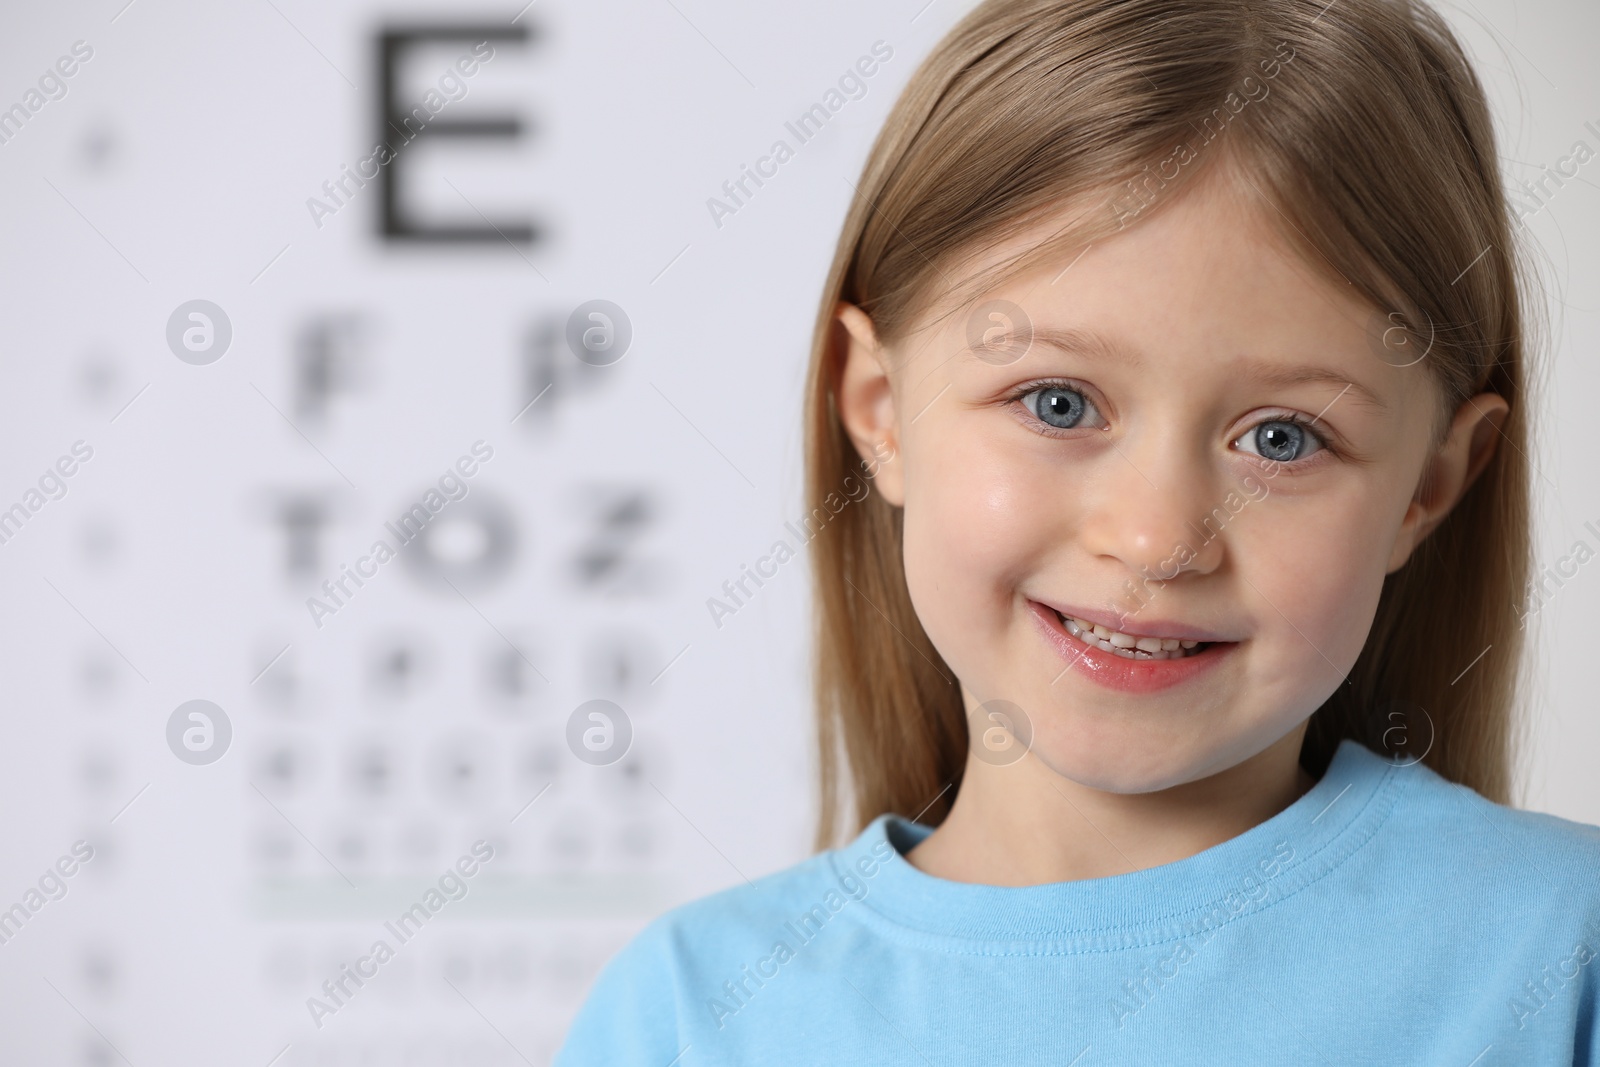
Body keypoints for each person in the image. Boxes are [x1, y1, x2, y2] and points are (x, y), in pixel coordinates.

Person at [556, 0, 1600, 1060]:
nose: (1155, 541)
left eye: (1281, 437)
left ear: (1428, 487)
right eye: (1057, 402)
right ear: (878, 406)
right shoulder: (688, 1012)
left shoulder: (1566, 950)